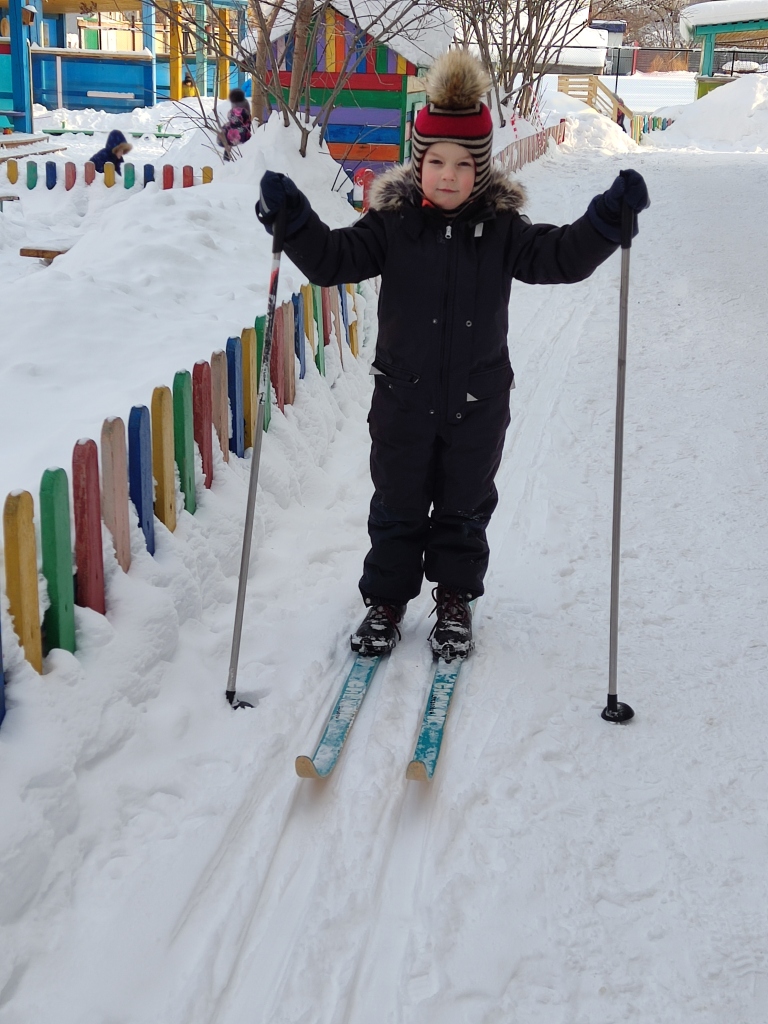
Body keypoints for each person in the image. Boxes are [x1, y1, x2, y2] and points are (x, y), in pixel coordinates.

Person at [256, 50, 649, 662]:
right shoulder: (389, 225)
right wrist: (295, 221)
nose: (447, 175)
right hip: (403, 399)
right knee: (396, 505)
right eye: (435, 161)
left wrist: (604, 222)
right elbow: (333, 260)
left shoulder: (503, 231)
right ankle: (385, 601)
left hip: (478, 400)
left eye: (463, 165)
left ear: (482, 172)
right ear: (418, 164)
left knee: (465, 507)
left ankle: (455, 600)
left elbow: (562, 258)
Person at [217, 88, 252, 157]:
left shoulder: (236, 104)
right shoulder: (245, 102)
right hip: (243, 126)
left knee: (227, 132)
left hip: (237, 126)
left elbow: (233, 115)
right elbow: (248, 115)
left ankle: (227, 151)